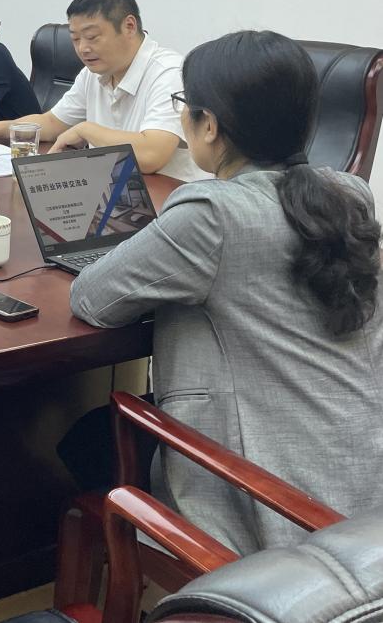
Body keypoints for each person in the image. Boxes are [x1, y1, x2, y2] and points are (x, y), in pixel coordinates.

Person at [70, 30, 383, 555]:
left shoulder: (212, 214)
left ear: (209, 125)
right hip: (362, 489)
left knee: (87, 439)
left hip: (276, 511)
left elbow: (91, 299)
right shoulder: (349, 193)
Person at [0, 0, 204, 180]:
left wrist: (86, 130)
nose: (83, 48)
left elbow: (152, 154)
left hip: (165, 199)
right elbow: (52, 122)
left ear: (129, 26)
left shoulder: (169, 72)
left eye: (92, 37)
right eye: (75, 39)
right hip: (111, 191)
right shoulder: (92, 73)